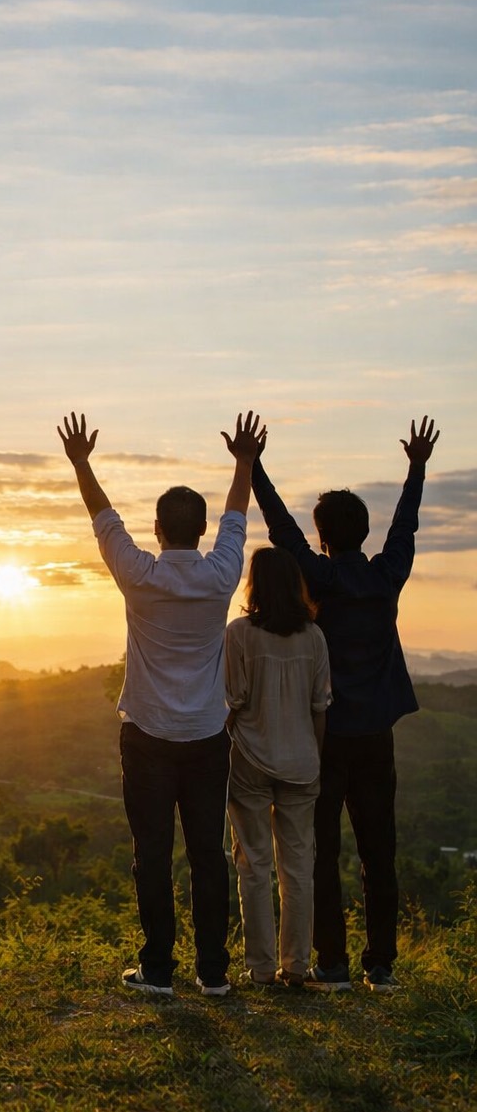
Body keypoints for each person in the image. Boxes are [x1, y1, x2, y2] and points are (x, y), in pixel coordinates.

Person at [58, 408, 266, 997]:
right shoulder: (221, 574)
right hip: (206, 736)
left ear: (157, 529)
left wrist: (81, 463)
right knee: (208, 854)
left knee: (151, 853)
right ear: (201, 531)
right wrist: (245, 463)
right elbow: (238, 517)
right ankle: (213, 972)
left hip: (148, 736)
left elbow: (103, 520)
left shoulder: (139, 575)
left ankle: (157, 971)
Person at [251, 416, 440, 992]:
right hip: (376, 736)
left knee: (321, 850)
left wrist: (252, 465)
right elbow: (405, 526)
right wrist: (416, 468)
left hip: (325, 737)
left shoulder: (319, 577)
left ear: (324, 538)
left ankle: (331, 962)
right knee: (379, 850)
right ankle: (380, 964)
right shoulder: (385, 577)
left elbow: (282, 530)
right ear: (363, 532)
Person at [225, 548, 331, 988]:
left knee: (254, 863)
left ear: (255, 585)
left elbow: (232, 699)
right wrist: (314, 755)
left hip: (250, 757)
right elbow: (320, 707)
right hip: (302, 761)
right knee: (298, 867)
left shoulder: (239, 634)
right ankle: (297, 966)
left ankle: (262, 968)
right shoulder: (314, 637)